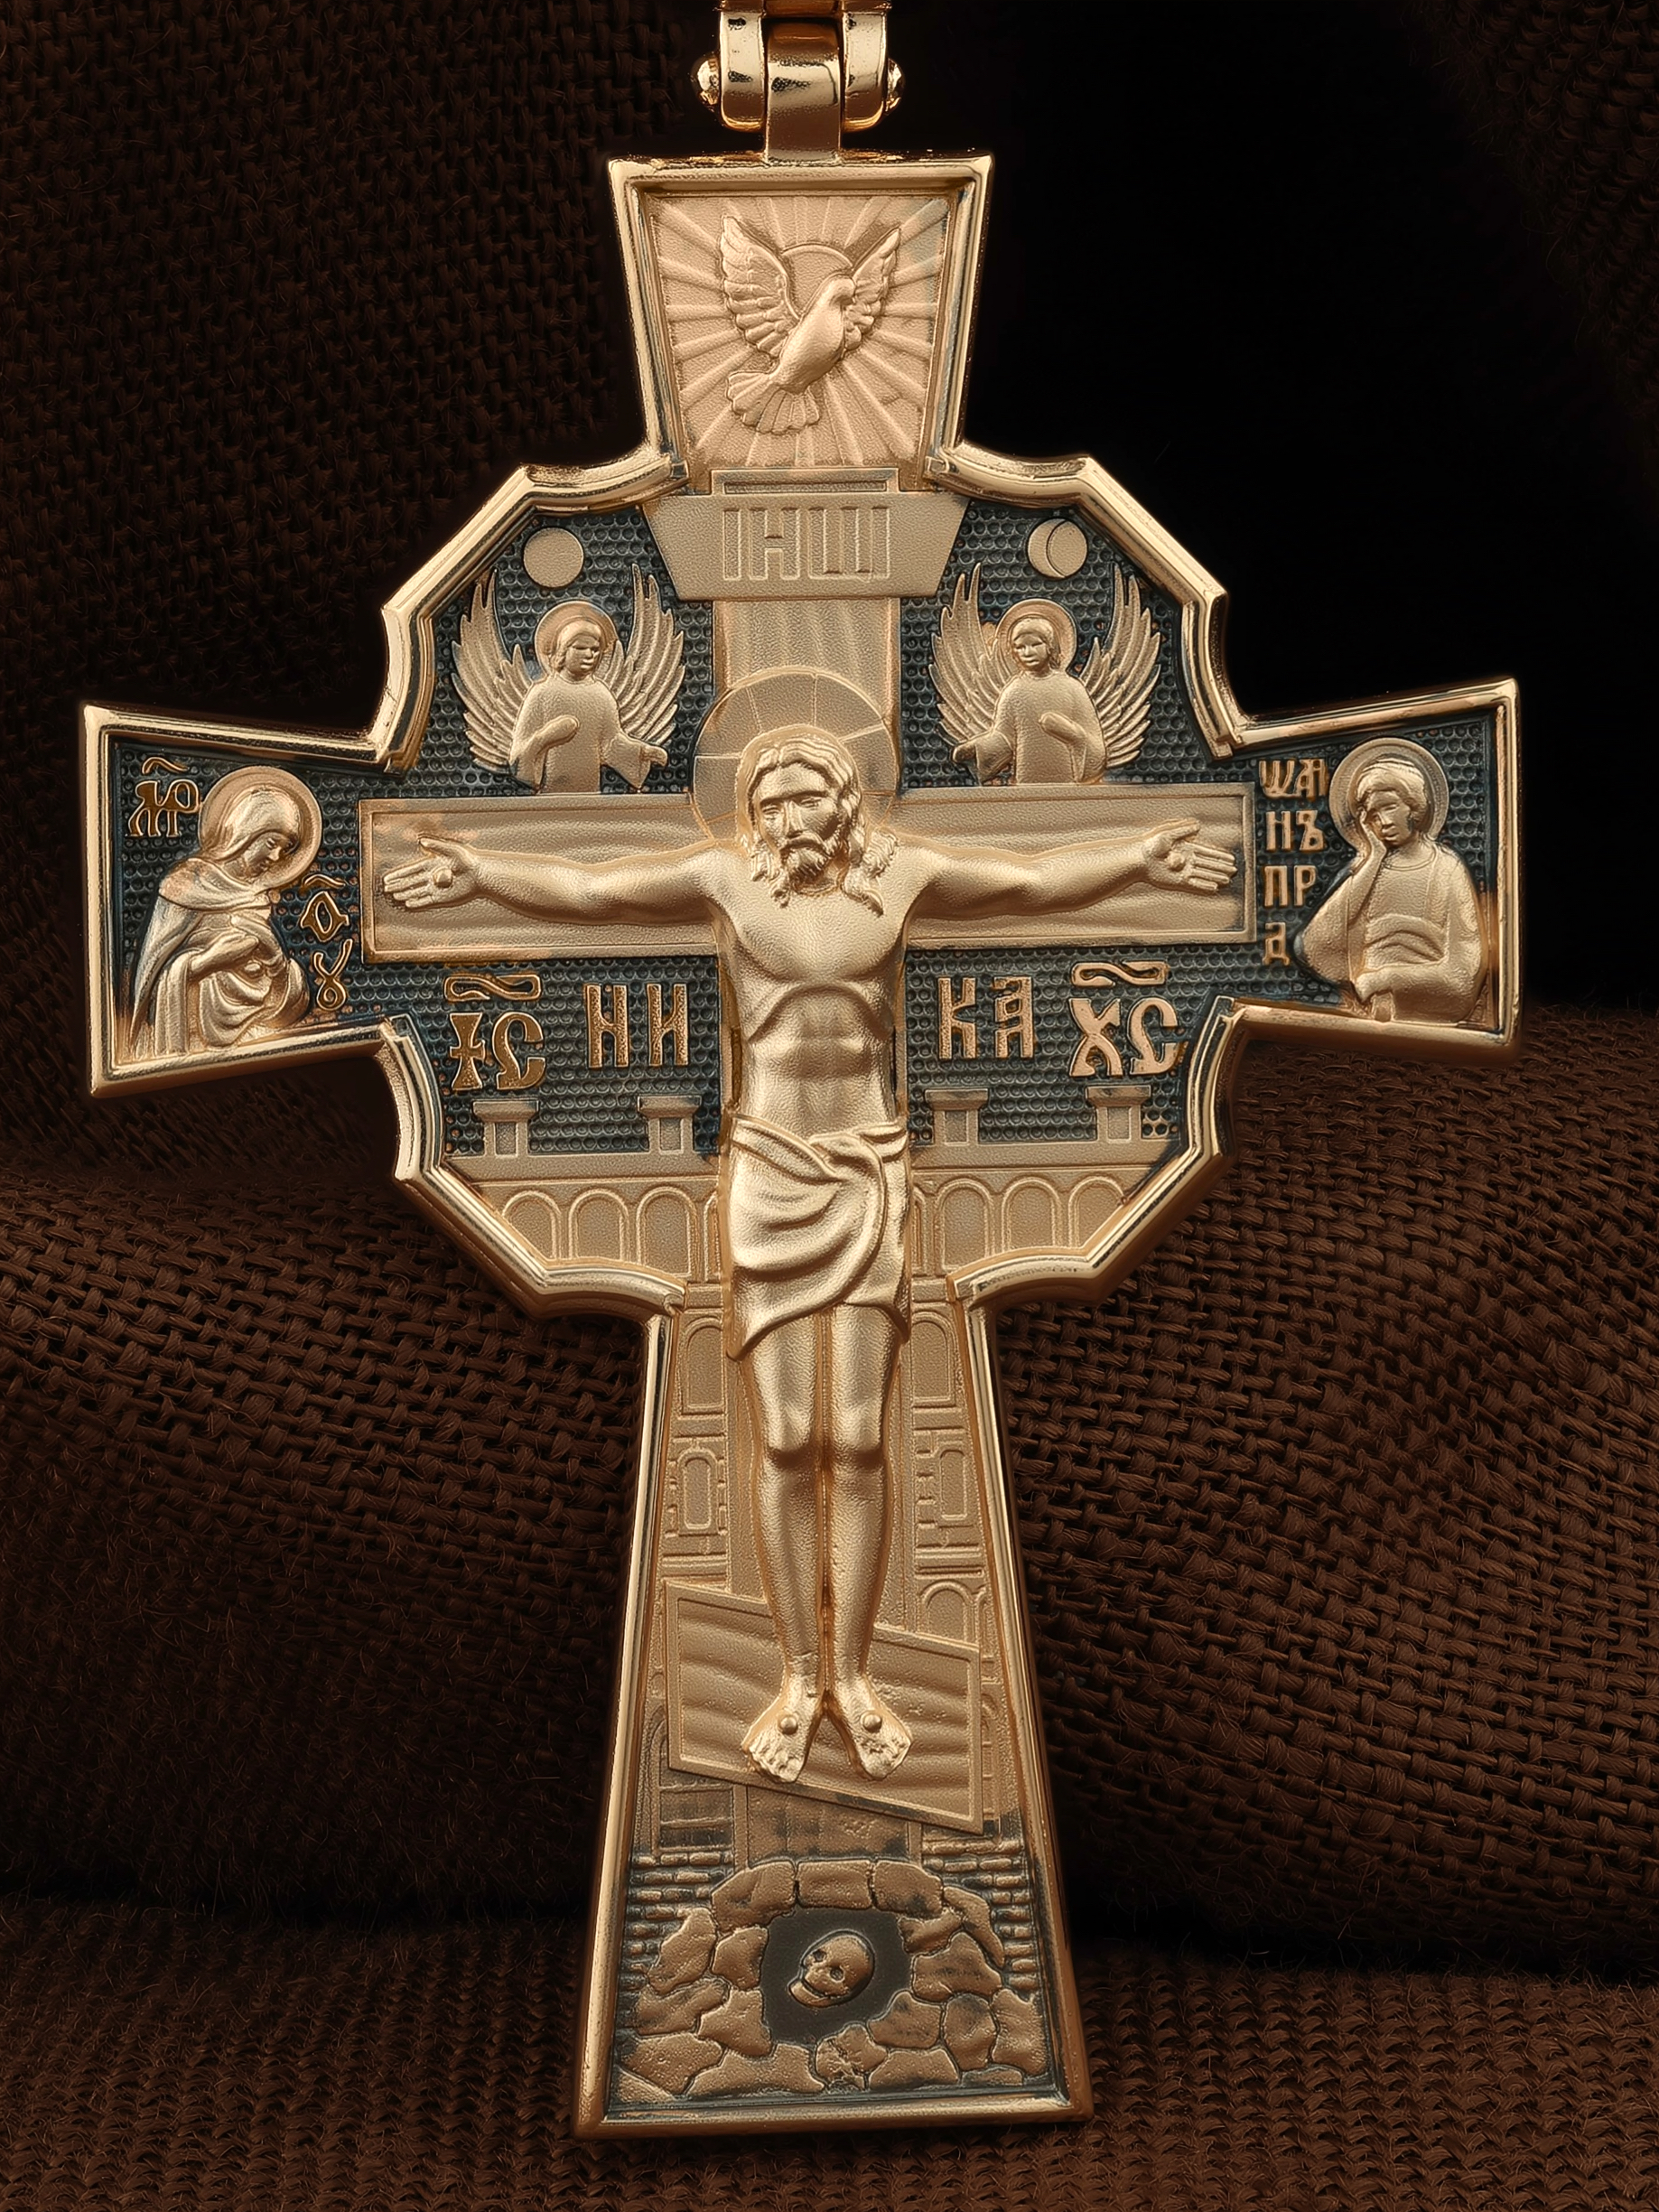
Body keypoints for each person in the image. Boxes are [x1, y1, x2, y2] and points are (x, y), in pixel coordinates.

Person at [383, 727, 1235, 1787]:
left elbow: (1027, 881)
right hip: (770, 1168)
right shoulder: (724, 879)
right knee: (789, 1438)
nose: (790, 820)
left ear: (845, 802)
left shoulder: (901, 873)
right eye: (771, 802)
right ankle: (796, 1678)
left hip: (870, 1169)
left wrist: (1138, 856)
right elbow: (592, 891)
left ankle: (855, 1675)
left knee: (860, 1437)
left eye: (806, 799)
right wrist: (476, 869)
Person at [130, 780, 312, 1059]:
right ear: (247, 831)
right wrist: (208, 962)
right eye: (271, 843)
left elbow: (286, 997)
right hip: (195, 1035)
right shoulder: (187, 885)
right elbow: (153, 977)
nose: (276, 857)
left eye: (285, 850)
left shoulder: (256, 897)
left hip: (257, 1030)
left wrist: (274, 956)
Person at [1300, 755, 1485, 1022]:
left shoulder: (1446, 869)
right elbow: (1314, 948)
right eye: (1374, 815)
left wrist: (1387, 978)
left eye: (1390, 807)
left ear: (1414, 805)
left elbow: (1462, 977)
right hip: (1365, 1021)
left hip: (1426, 1015)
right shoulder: (1364, 872)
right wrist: (1374, 859)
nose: (1383, 822)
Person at [508, 609, 669, 791]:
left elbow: (611, 743)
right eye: (580, 648)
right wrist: (545, 738)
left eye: (595, 649)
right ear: (562, 651)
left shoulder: (601, 694)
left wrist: (642, 753)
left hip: (591, 793)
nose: (589, 655)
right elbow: (518, 755)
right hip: (549, 795)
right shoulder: (542, 694)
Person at [952, 612, 1104, 783]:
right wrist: (975, 748)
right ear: (1013, 652)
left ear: (1050, 646)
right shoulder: (1014, 691)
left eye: (1035, 644)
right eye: (1020, 647)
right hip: (1027, 781)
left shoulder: (1072, 688)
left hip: (1068, 783)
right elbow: (1004, 739)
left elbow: (1097, 745)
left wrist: (1073, 734)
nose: (1028, 652)